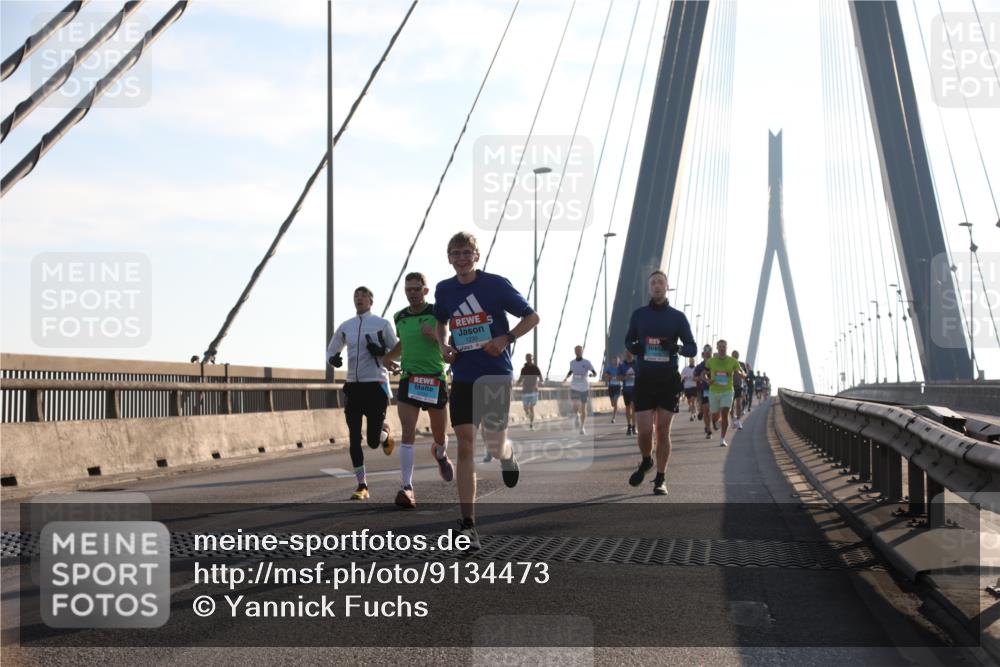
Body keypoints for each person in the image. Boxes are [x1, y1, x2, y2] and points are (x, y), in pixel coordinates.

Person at [434, 232, 540, 549]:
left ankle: (507, 456)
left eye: (467, 252)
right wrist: (443, 347)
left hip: (495, 374)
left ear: (477, 256)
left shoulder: (496, 284)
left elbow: (531, 316)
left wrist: (505, 339)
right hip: (463, 375)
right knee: (465, 444)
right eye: (456, 253)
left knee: (493, 444)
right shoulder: (444, 289)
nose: (462, 258)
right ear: (449, 257)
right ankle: (468, 524)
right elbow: (441, 323)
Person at [382, 272, 456, 509]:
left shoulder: (438, 313)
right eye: (408, 289)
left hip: (434, 379)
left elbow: (448, 345)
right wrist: (388, 358)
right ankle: (407, 487)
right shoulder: (399, 316)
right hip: (409, 378)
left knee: (439, 435)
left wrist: (432, 333)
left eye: (417, 289)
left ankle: (441, 454)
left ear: (425, 291)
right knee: (407, 431)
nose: (412, 293)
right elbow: (403, 342)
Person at [624, 271, 697, 495]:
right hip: (645, 379)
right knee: (644, 432)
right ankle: (647, 460)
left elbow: (692, 347)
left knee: (662, 431)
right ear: (649, 288)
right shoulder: (639, 315)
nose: (657, 286)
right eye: (653, 283)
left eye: (661, 283)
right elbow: (628, 339)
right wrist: (634, 347)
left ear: (667, 287)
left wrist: (678, 349)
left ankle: (661, 479)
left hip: (667, 380)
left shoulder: (677, 317)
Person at [327, 286, 398, 500]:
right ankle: (362, 485)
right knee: (354, 438)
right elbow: (332, 349)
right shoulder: (346, 326)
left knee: (373, 441)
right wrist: (333, 359)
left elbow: (398, 353)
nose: (359, 298)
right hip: (354, 387)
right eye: (356, 296)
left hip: (376, 385)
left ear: (371, 301)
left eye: (364, 295)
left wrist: (383, 352)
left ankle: (385, 433)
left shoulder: (382, 324)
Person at [705, 339, 744, 447]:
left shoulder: (733, 361)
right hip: (714, 391)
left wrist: (741, 374)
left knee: (725, 413)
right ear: (717, 348)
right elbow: (704, 373)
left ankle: (722, 439)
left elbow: (741, 371)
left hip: (727, 391)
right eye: (720, 346)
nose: (722, 348)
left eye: (724, 346)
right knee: (715, 418)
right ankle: (716, 422)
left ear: (727, 348)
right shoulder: (711, 361)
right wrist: (707, 380)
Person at [564, 345, 597, 435]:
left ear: (582, 352)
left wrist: (592, 375)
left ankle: (582, 427)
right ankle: (576, 415)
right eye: (576, 350)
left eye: (579, 350)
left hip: (584, 387)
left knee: (583, 407)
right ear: (575, 352)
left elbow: (595, 373)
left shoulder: (587, 362)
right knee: (575, 405)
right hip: (574, 386)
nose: (578, 352)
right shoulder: (572, 362)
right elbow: (571, 371)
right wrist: (566, 378)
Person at [518, 353, 543, 431]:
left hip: (533, 391)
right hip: (525, 390)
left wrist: (539, 384)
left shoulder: (536, 368)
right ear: (526, 359)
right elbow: (520, 379)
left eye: (530, 358)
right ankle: (529, 416)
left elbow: (541, 378)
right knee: (525, 408)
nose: (529, 359)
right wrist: (516, 384)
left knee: (531, 407)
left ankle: (531, 424)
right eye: (527, 358)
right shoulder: (523, 369)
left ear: (532, 359)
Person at [693, 348, 714, 439]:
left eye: (710, 353)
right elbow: (694, 378)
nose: (708, 354)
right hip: (702, 390)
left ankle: (710, 423)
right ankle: (709, 430)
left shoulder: (715, 364)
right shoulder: (699, 366)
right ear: (703, 354)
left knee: (711, 411)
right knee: (705, 410)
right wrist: (701, 378)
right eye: (706, 353)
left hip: (715, 390)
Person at [619, 351, 637, 435]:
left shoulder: (637, 364)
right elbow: (618, 377)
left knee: (634, 407)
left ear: (632, 354)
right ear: (625, 355)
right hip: (626, 390)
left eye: (630, 353)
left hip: (635, 389)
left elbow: (642, 374)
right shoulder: (622, 365)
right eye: (626, 353)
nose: (628, 354)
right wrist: (626, 377)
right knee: (627, 408)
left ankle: (634, 426)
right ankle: (629, 426)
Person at [602, 355, 623, 424]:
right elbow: (605, 374)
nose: (616, 361)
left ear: (619, 361)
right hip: (611, 386)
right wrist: (609, 376)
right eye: (614, 360)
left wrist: (620, 377)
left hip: (618, 386)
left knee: (615, 401)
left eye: (617, 360)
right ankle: (615, 407)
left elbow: (623, 375)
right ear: (612, 361)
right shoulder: (609, 368)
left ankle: (613, 417)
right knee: (612, 404)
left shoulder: (621, 368)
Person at [731, 350, 746, 430]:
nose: (735, 356)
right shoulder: (729, 363)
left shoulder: (742, 364)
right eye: (733, 355)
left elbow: (745, 374)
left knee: (738, 404)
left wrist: (742, 374)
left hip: (739, 386)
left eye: (736, 355)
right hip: (730, 386)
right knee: (731, 405)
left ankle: (738, 421)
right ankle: (733, 418)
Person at [680, 357, 698, 421]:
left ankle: (692, 416)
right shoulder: (685, 369)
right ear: (689, 362)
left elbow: (698, 377)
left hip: (694, 386)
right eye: (690, 361)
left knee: (693, 401)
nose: (691, 362)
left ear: (694, 362)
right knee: (689, 401)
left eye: (692, 361)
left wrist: (695, 378)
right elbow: (681, 376)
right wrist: (685, 377)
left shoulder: (696, 369)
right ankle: (694, 411)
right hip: (687, 387)